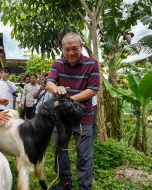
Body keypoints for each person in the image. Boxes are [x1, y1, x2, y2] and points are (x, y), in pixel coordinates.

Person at [46, 32, 100, 190]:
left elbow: (92, 90)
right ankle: (65, 183)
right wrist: (56, 88)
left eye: (74, 48)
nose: (70, 52)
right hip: (62, 118)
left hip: (84, 117)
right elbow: (49, 83)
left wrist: (69, 100)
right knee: (60, 150)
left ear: (81, 47)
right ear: (62, 49)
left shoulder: (92, 64)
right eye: (67, 49)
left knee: (84, 155)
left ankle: (85, 186)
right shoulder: (57, 64)